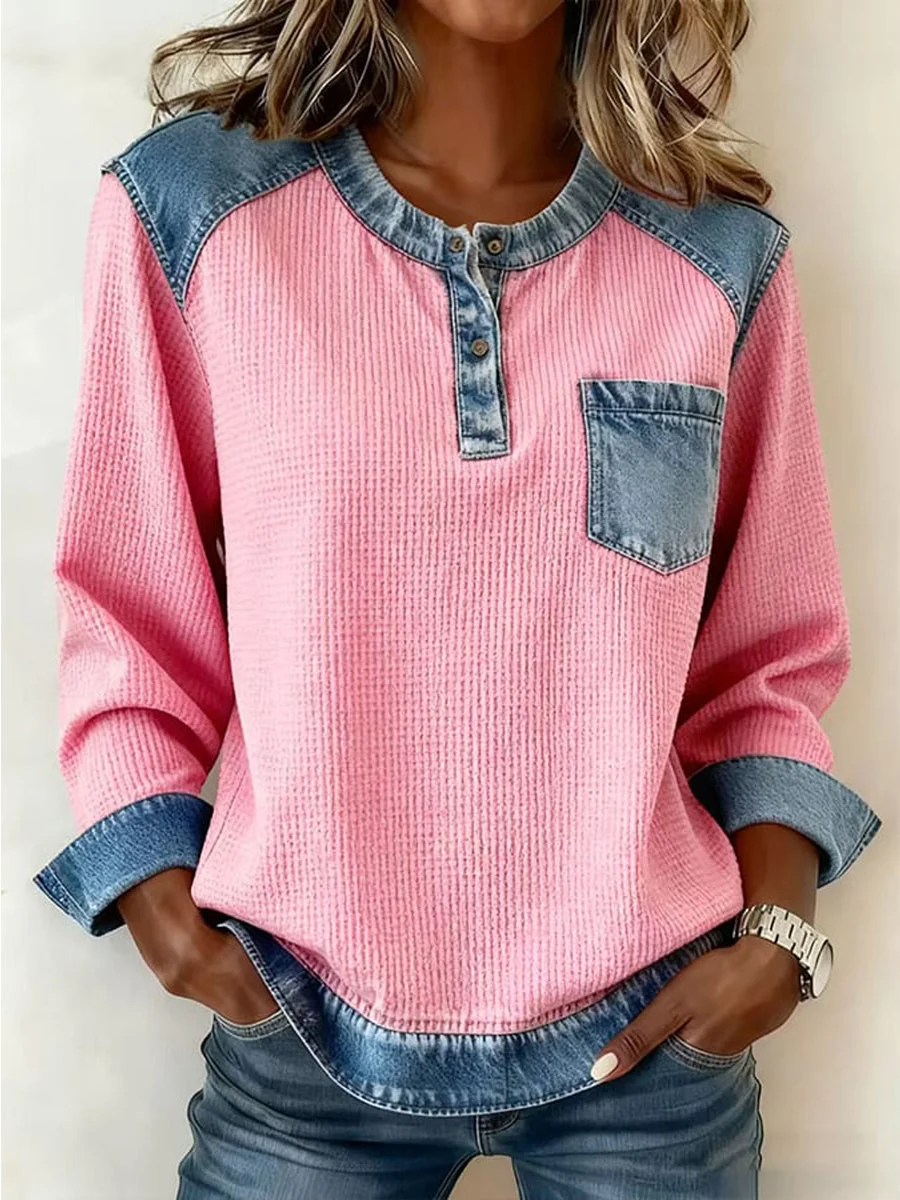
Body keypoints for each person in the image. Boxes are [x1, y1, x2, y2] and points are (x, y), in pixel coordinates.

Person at [32, 1, 881, 1196]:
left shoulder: (717, 255)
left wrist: (777, 942)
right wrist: (158, 900)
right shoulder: (194, 213)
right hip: (302, 1037)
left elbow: (766, 663)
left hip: (654, 1052)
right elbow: (130, 605)